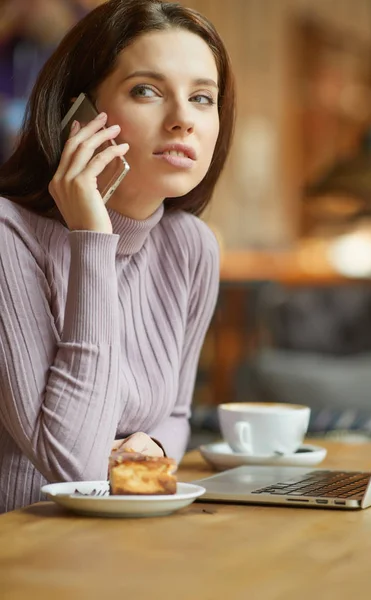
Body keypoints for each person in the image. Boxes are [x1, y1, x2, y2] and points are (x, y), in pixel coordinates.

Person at [0, 0, 235, 512]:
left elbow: (174, 415)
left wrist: (148, 449)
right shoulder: (6, 236)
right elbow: (76, 467)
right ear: (76, 112)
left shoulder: (191, 246)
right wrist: (92, 239)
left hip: (124, 546)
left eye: (201, 97)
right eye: (146, 91)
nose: (182, 121)